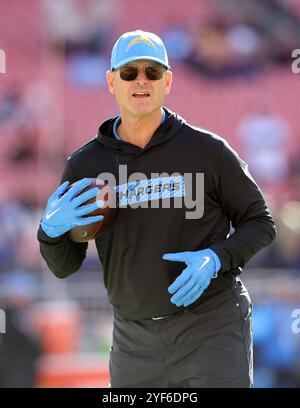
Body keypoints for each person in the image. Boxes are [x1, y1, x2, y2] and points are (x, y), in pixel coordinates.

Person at [37, 29, 277, 388]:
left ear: (168, 81)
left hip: (210, 327)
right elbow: (65, 266)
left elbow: (261, 222)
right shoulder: (85, 166)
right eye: (129, 72)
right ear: (111, 81)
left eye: (152, 72)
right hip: (133, 342)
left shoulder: (207, 150)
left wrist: (216, 257)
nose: (141, 80)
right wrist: (50, 234)